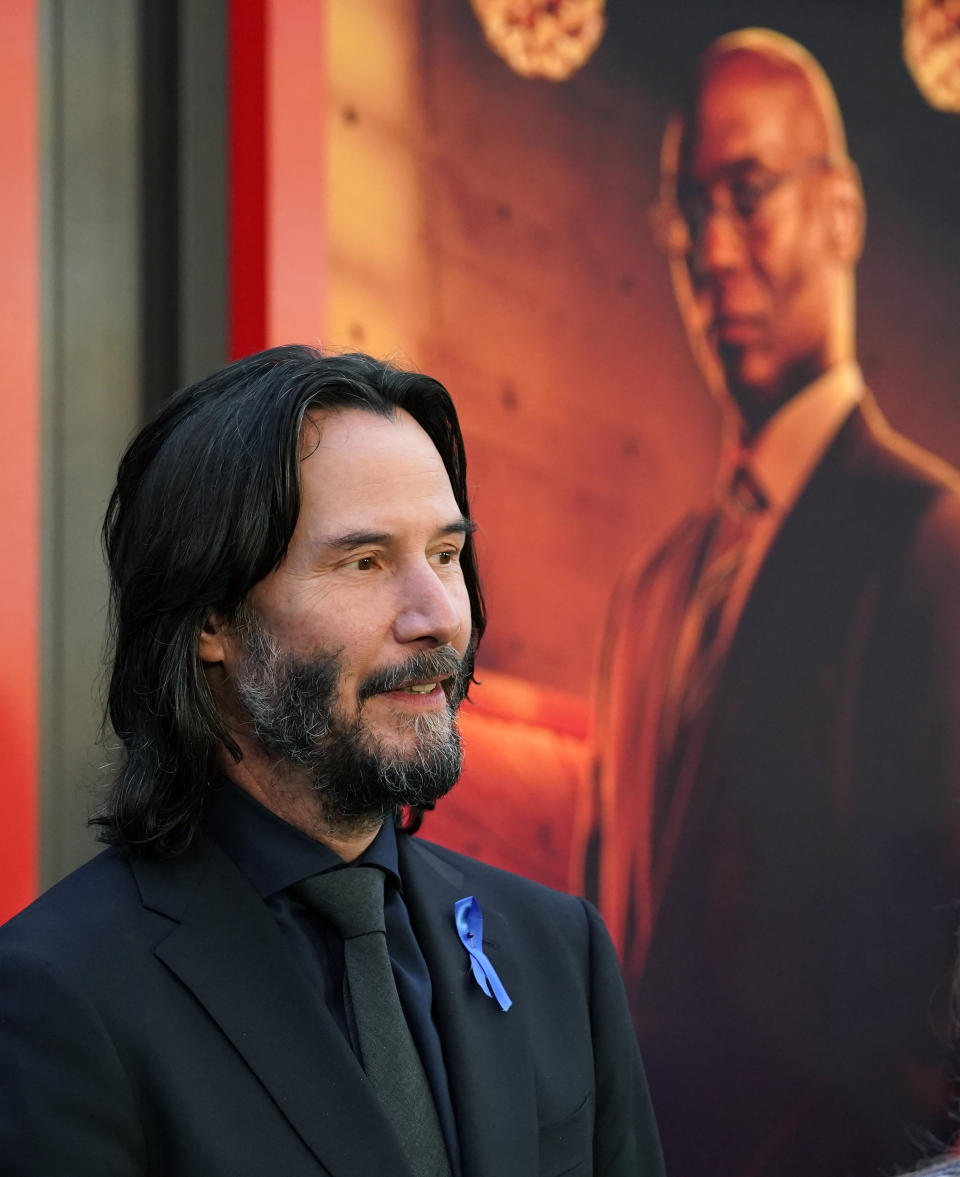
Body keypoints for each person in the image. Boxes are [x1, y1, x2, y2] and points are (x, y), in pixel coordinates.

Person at [0, 346, 663, 1177]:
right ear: (214, 619)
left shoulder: (557, 949)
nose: (436, 617)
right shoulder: (59, 995)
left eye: (448, 556)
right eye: (366, 562)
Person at [581, 28, 960, 1177]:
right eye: (688, 214)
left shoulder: (932, 537)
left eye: (749, 195)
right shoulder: (648, 596)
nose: (713, 250)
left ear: (841, 214)